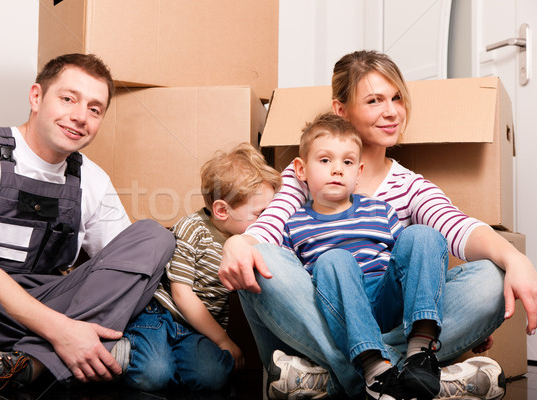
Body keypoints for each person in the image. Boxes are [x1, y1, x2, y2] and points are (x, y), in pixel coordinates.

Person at [218, 50, 537, 399]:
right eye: (374, 100)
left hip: (389, 310)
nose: (391, 111)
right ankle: (426, 382)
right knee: (263, 258)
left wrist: (516, 259)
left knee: (492, 278)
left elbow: (457, 227)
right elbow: (268, 229)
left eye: (397, 98)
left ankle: (326, 380)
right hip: (326, 311)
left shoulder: (409, 186)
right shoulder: (305, 177)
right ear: (341, 110)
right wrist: (239, 243)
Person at [0, 53, 175, 392]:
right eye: (68, 99)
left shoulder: (92, 180)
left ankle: (25, 365)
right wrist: (64, 332)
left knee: (154, 238)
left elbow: (123, 274)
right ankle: (80, 349)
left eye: (95, 109)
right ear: (36, 97)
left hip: (53, 300)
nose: (80, 117)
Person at [281, 113, 447, 399]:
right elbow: (290, 284)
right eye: (324, 160)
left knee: (422, 235)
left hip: (387, 302)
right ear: (301, 169)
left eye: (347, 162)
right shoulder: (294, 224)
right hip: (340, 310)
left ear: (358, 172)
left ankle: (420, 351)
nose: (337, 170)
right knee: (335, 260)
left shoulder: (379, 210)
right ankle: (375, 369)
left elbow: (413, 262)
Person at [122, 143, 282, 392]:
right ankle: (125, 349)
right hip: (161, 315)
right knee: (152, 375)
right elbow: (181, 295)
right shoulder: (193, 229)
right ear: (221, 210)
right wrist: (222, 339)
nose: (266, 222)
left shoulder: (249, 239)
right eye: (259, 214)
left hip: (196, 329)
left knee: (213, 377)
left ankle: (167, 365)